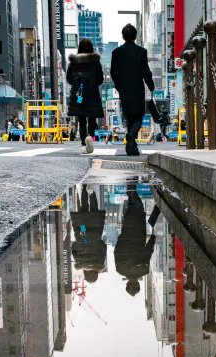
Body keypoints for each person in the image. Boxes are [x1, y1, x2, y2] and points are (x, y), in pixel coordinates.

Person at [111, 23, 155, 156]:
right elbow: (146, 71)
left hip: (124, 88)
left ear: (123, 37)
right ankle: (132, 136)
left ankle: (132, 145)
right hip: (137, 86)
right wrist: (151, 85)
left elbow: (113, 72)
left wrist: (119, 86)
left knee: (129, 115)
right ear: (135, 36)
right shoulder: (141, 52)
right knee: (138, 116)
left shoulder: (116, 52)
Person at [114, 184, 159, 296]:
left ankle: (131, 187)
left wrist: (152, 239)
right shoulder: (120, 270)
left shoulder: (143, 270)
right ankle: (130, 188)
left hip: (139, 234)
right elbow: (117, 252)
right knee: (132, 209)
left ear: (138, 284)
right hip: (126, 232)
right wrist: (122, 238)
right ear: (127, 284)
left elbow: (148, 252)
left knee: (137, 207)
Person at [66, 38, 104, 154]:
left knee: (82, 119)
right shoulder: (95, 62)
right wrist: (91, 85)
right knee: (92, 118)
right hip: (92, 94)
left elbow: (69, 79)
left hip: (79, 95)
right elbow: (100, 79)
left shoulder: (73, 62)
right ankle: (90, 138)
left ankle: (83, 143)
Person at [71, 185, 107, 282]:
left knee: (94, 210)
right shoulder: (80, 263)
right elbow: (73, 248)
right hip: (82, 232)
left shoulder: (99, 262)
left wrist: (98, 241)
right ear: (86, 274)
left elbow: (103, 247)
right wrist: (80, 241)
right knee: (83, 209)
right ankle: (83, 188)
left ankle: (91, 193)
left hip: (95, 233)